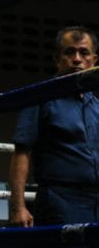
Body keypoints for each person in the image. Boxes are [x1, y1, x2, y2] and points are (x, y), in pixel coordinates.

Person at [9, 26, 99, 227]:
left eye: (83, 52)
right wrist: (18, 207)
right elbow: (22, 152)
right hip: (60, 201)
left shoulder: (97, 106)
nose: (77, 59)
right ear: (57, 59)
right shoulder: (40, 97)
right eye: (69, 52)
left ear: (94, 61)